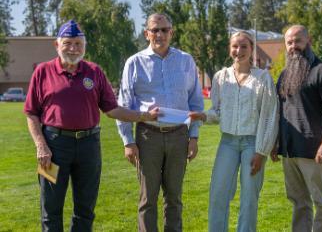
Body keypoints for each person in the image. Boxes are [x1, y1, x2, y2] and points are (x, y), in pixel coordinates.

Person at [24, 20, 159, 232]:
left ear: (84, 47)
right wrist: (41, 145)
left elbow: (112, 109)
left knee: (85, 209)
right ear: (56, 45)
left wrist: (144, 116)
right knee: (50, 208)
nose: (73, 48)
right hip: (52, 147)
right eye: (68, 43)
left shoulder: (94, 72)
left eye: (78, 44)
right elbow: (31, 113)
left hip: (89, 147)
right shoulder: (42, 72)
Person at [116, 13, 204, 232]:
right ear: (147, 33)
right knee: (148, 199)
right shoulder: (134, 63)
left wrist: (194, 137)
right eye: (155, 30)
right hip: (148, 137)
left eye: (165, 30)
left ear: (171, 33)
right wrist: (128, 141)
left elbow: (195, 101)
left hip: (179, 135)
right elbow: (124, 105)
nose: (160, 34)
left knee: (174, 198)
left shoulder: (186, 61)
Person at [192, 31, 279, 232]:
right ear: (229, 48)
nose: (238, 51)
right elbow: (218, 112)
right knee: (218, 194)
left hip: (253, 144)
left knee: (249, 199)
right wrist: (203, 116)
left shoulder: (263, 78)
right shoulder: (221, 78)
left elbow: (269, 116)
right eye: (234, 46)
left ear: (251, 49)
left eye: (243, 46)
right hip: (228, 143)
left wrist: (262, 151)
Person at [271, 25, 322, 232]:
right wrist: (276, 142)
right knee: (299, 202)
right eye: (289, 42)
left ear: (308, 40)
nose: (294, 46)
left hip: (315, 151)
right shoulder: (285, 75)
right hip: (290, 151)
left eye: (298, 41)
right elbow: (281, 111)